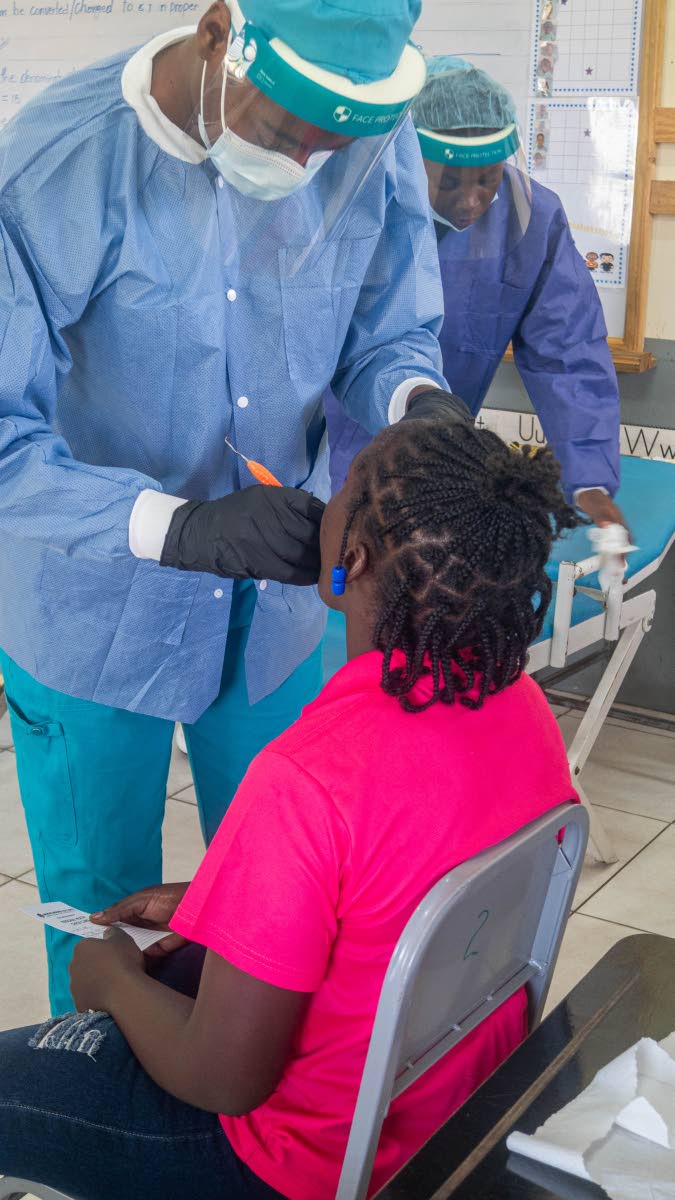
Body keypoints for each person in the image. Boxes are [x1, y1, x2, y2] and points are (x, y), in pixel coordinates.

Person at [0, 0, 467, 1015]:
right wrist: (177, 527)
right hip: (91, 602)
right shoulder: (52, 169)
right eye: (284, 129)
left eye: (332, 145)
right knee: (101, 912)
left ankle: (229, 1082)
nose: (306, 165)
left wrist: (416, 402)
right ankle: (98, 1094)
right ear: (220, 33)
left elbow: (388, 331)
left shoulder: (365, 131)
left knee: (278, 892)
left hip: (274, 604)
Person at [0, 417, 579, 1200]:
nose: (321, 498)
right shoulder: (518, 708)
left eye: (342, 488)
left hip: (295, 1162)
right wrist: (226, 901)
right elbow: (388, 892)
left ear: (352, 560)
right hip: (442, 1100)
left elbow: (221, 1079)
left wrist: (108, 979)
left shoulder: (309, 776)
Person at [325, 56, 626, 537]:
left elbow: (569, 352)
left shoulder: (530, 219)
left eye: (487, 178)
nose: (470, 201)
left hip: (437, 460)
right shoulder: (357, 203)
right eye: (449, 181)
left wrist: (589, 480)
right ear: (410, 158)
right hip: (324, 445)